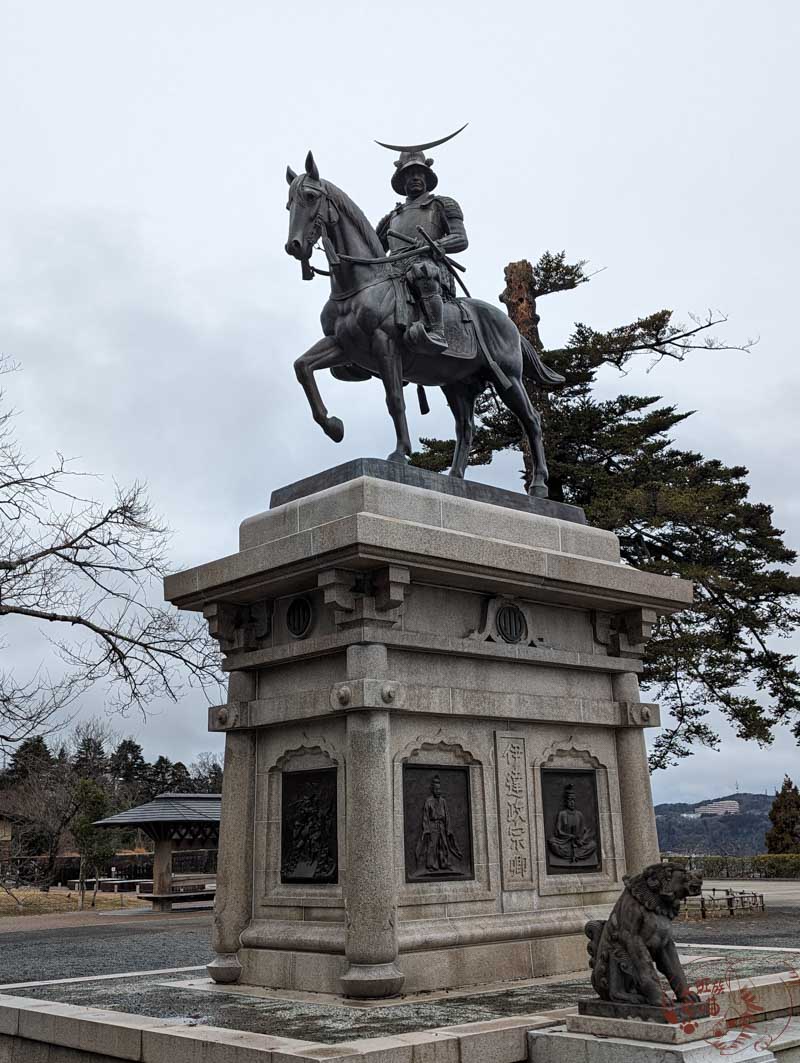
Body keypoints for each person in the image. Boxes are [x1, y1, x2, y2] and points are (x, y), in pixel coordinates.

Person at [376, 150, 468, 354]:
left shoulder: (442, 204)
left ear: (427, 177)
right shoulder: (391, 217)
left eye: (420, 173)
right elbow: (374, 251)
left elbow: (461, 238)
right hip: (394, 271)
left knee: (422, 271)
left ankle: (437, 331)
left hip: (430, 266)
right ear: (402, 180)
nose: (415, 177)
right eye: (409, 174)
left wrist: (434, 245)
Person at [415, 774, 463, 872]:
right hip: (433, 825)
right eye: (436, 789)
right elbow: (425, 816)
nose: (438, 791)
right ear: (433, 790)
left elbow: (447, 816)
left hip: (442, 825)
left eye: (439, 789)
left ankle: (444, 863)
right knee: (433, 846)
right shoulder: (428, 801)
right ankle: (430, 865)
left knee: (444, 844)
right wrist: (426, 829)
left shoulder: (443, 801)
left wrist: (448, 828)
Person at [547, 784, 598, 864]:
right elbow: (558, 831)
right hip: (565, 842)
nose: (572, 802)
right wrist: (570, 836)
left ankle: (575, 855)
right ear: (566, 802)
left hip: (578, 844)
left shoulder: (579, 814)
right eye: (570, 800)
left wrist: (581, 839)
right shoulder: (562, 814)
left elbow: (585, 831)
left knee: (593, 844)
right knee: (552, 842)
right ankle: (573, 855)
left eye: (573, 800)